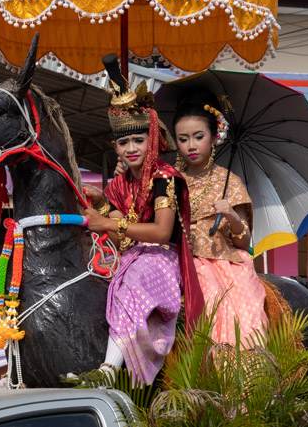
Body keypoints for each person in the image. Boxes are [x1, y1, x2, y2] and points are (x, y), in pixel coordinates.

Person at [81, 54, 204, 385]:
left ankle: (108, 370)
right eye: (124, 142)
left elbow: (163, 232)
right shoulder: (120, 184)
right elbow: (123, 237)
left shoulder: (164, 177)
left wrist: (107, 222)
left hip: (162, 260)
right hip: (131, 257)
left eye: (138, 140)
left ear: (152, 139)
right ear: (115, 147)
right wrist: (104, 206)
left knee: (134, 278)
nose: (132, 148)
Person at [171, 94, 268, 347]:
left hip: (223, 262)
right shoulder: (168, 180)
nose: (191, 145)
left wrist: (232, 215)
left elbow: (244, 240)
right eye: (183, 139)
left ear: (214, 138)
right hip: (176, 257)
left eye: (198, 137)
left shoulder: (230, 181)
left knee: (223, 301)